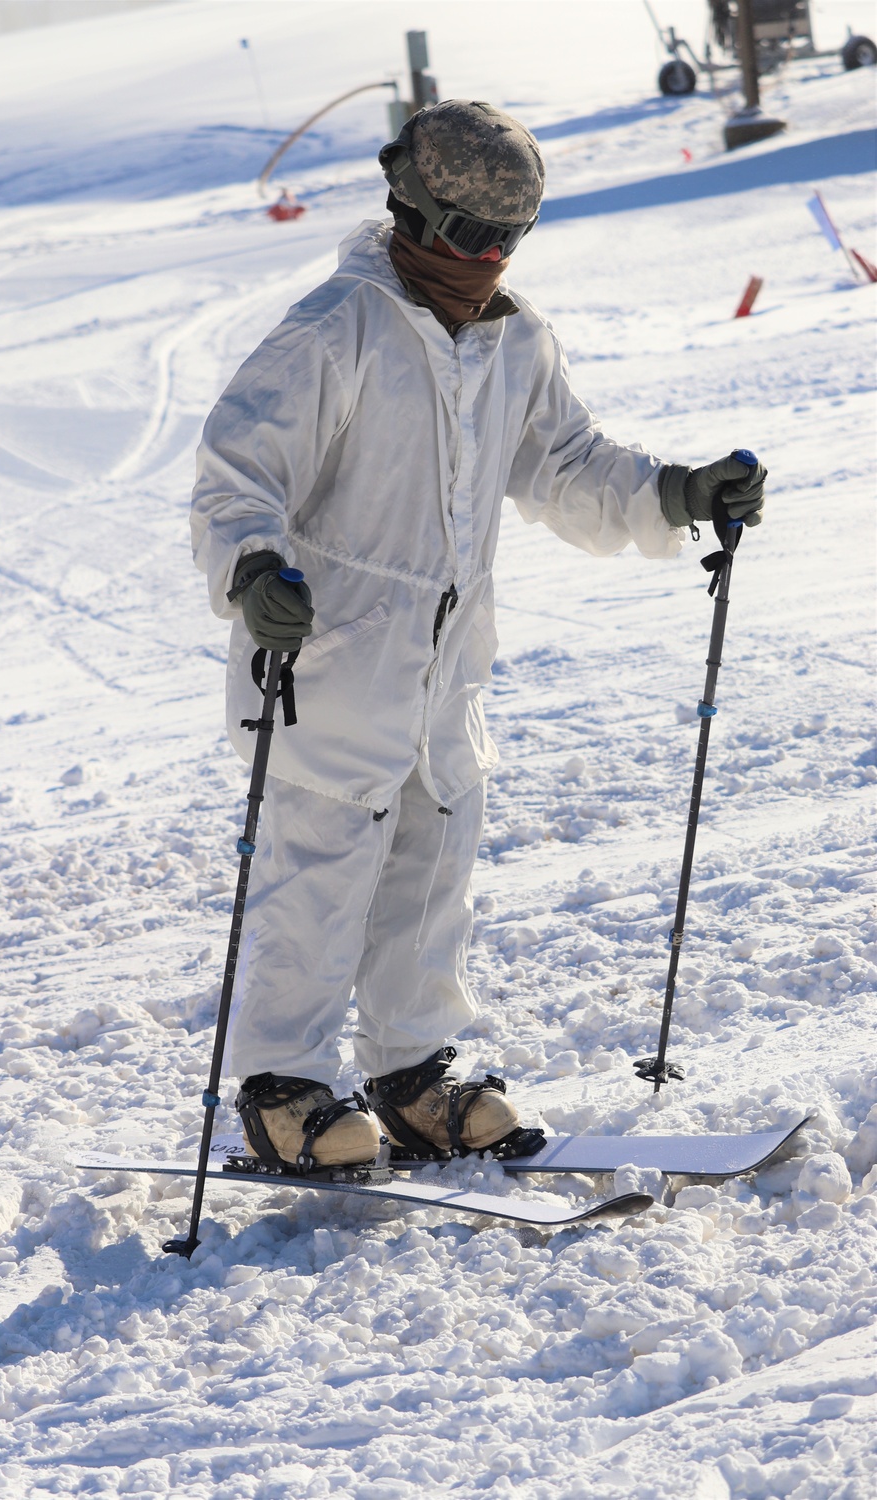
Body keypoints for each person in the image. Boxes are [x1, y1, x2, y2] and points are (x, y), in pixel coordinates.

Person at [190, 101, 766, 1172]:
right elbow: (237, 476)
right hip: (329, 664)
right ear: (412, 207)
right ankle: (283, 1089)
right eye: (469, 236)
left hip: (446, 668)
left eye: (511, 240)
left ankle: (409, 1075)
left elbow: (571, 466)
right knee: (322, 876)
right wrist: (253, 570)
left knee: (430, 866)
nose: (488, 260)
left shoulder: (512, 339)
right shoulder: (335, 330)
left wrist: (678, 492)